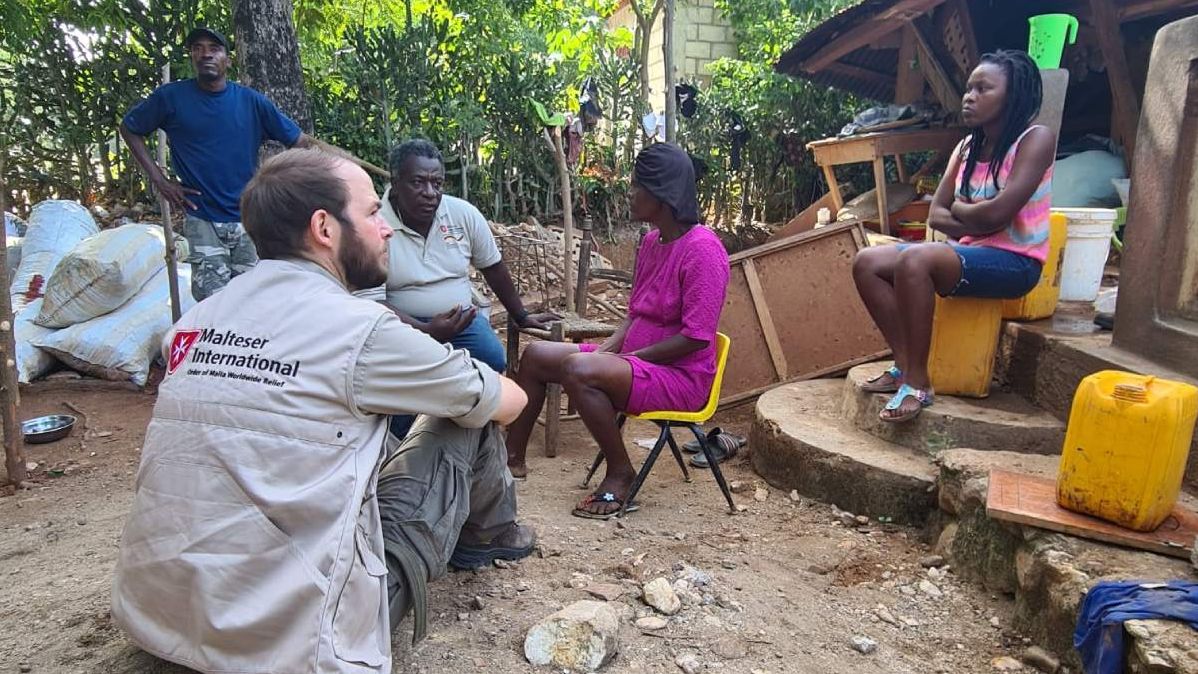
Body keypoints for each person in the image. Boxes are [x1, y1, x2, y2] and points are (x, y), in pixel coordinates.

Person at [111, 148, 536, 674]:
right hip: (293, 642)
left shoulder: (193, 323)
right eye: (372, 213)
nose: (385, 229)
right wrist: (469, 387)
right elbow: (509, 403)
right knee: (465, 410)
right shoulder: (359, 329)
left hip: (159, 617)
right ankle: (490, 535)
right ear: (324, 228)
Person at [504, 143, 730, 518]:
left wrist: (631, 358)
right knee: (537, 356)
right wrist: (610, 352)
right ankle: (511, 458)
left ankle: (621, 473)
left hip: (680, 378)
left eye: (636, 185)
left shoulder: (703, 250)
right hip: (635, 365)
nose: (630, 193)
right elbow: (633, 317)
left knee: (580, 369)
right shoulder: (652, 242)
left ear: (661, 192)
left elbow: (696, 336)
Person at [852, 49, 1054, 423]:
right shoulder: (965, 148)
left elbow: (996, 214)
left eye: (983, 89)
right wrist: (974, 218)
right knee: (867, 262)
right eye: (968, 88)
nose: (969, 96)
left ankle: (918, 383)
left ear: (1013, 97)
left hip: (1016, 263)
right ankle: (903, 364)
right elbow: (936, 213)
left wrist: (964, 212)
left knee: (916, 258)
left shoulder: (1034, 140)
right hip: (967, 253)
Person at [358, 139, 555, 438]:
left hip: (461, 317)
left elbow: (493, 267)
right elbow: (372, 301)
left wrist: (520, 314)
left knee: (491, 359)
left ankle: (463, 435)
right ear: (396, 183)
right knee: (404, 379)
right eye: (418, 182)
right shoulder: (374, 225)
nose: (430, 193)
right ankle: (402, 443)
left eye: (437, 183)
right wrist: (425, 331)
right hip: (397, 323)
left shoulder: (461, 214)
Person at [120, 27, 317, 300]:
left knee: (253, 299)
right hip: (202, 217)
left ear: (228, 59)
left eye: (214, 49)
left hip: (249, 218)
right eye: (198, 48)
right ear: (192, 57)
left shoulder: (251, 102)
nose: (205, 54)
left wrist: (284, 186)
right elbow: (130, 129)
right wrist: (160, 181)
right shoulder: (171, 98)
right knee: (212, 304)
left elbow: (298, 142)